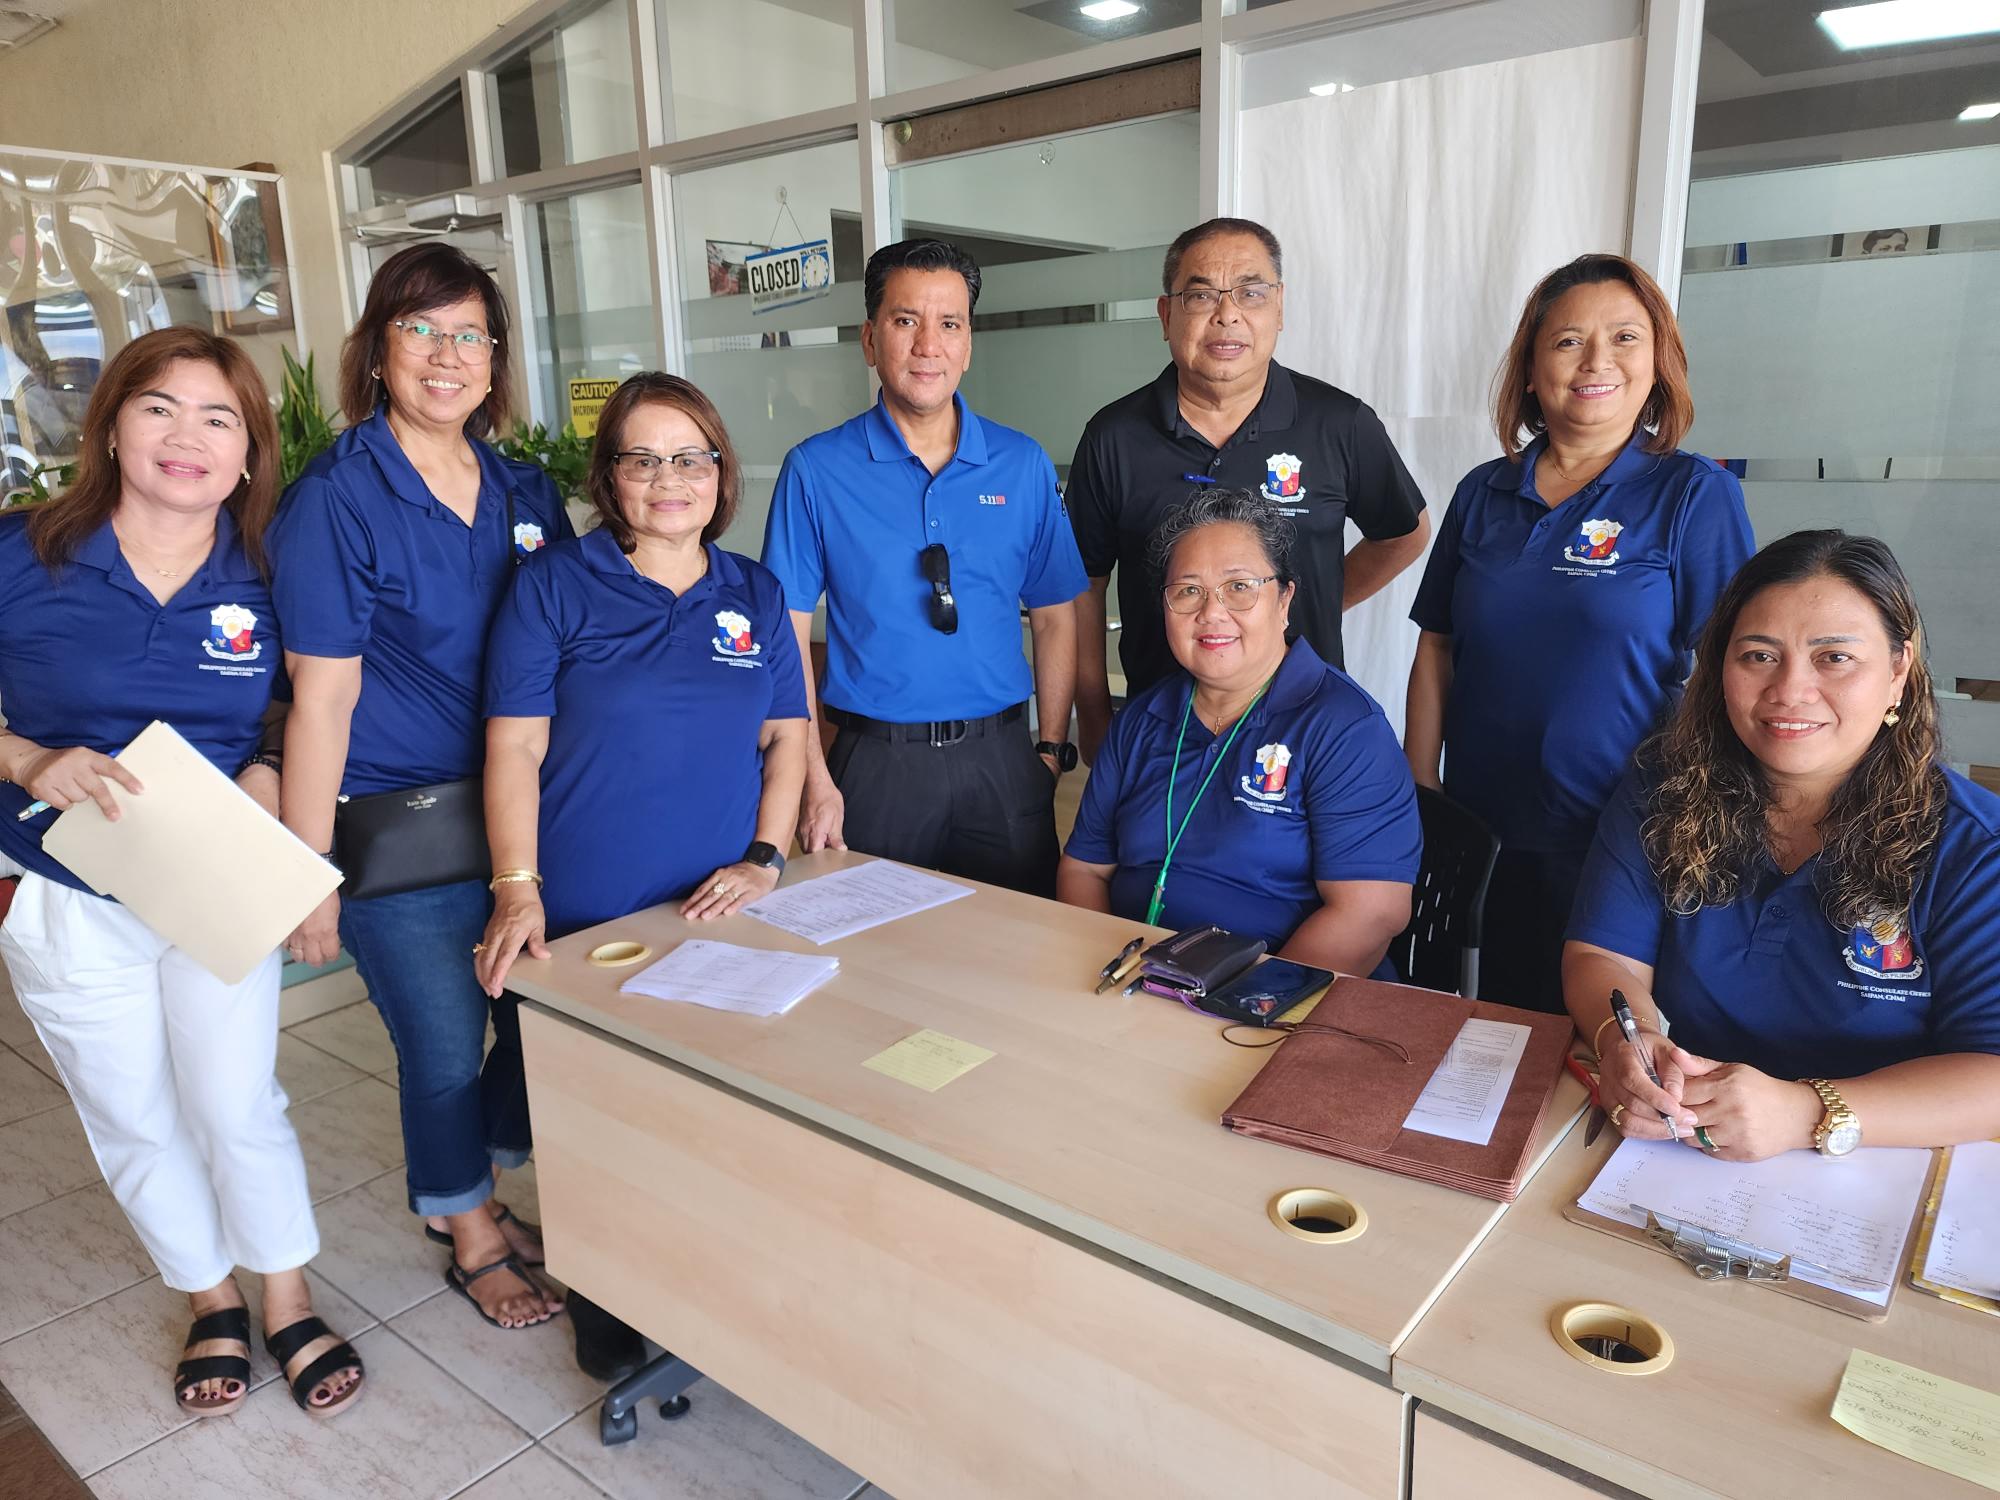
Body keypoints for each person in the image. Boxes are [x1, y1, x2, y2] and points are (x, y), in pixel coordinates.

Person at [0, 327, 363, 1417]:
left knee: (235, 1098)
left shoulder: (264, 570)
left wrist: (265, 790)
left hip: (211, 881)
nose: (187, 437)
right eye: (159, 408)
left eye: (219, 417)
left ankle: (286, 1294)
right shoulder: (23, 550)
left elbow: (306, 707)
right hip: (65, 889)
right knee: (132, 1112)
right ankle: (212, 1299)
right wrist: (27, 757)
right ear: (112, 424)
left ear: (249, 450)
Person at [473, 372, 810, 1375]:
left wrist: (764, 859)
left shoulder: (751, 590)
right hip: (587, 914)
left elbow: (786, 740)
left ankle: (704, 1278)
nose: (670, 478)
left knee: (700, 1108)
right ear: (608, 477)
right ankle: (607, 1300)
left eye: (690, 456)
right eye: (643, 458)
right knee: (588, 1117)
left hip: (710, 916)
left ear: (720, 471)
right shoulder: (553, 587)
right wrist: (516, 882)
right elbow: (514, 752)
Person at [269, 244, 571, 1331]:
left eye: (469, 336)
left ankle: (472, 1178)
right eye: (420, 331)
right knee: (444, 1041)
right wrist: (305, 873)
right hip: (405, 824)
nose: (447, 356)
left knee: (538, 1021)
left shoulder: (525, 488)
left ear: (495, 361)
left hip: (530, 814)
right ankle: (470, 1227)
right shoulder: (337, 500)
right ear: (378, 348)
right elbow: (321, 702)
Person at [1567, 531, 2000, 1161]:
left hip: (1881, 1167)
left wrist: (1809, 1113)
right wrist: (1625, 1041)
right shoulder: (1664, 787)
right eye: (1758, 656)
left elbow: (1991, 1074)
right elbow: (1601, 956)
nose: (1790, 691)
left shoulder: (1976, 847)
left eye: (1834, 658)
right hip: (1670, 1149)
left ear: (1898, 672)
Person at [1405, 254, 1754, 1013]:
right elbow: (1436, 644)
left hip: (1620, 835)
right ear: (1531, 370)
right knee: (1487, 1027)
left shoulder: (1695, 494)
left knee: (1602, 1043)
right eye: (1568, 341)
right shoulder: (1481, 491)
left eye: (1625, 338)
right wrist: (1419, 788)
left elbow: (1736, 668)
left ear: (1657, 362)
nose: (1597, 361)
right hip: (1481, 827)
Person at [761, 239, 1087, 897]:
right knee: (869, 966)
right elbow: (786, 634)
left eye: (949, 324)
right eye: (906, 320)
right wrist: (812, 778)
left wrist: (1049, 751)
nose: (927, 345)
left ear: (968, 343)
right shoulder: (817, 470)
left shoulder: (1021, 465)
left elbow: (1055, 614)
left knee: (1015, 955)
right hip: (874, 768)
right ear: (869, 338)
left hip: (1001, 760)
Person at [1068, 216, 1430, 764]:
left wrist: (1313, 602)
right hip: (1160, 734)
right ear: (1166, 315)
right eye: (1201, 295)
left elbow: (1404, 533)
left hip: (1307, 732)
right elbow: (1082, 589)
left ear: (1279, 308)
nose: (1227, 314)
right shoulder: (1113, 437)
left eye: (1250, 292)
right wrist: (1094, 718)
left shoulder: (1340, 423)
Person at [1059, 488, 1419, 977]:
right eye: (1187, 590)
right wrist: (1106, 970)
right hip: (1131, 983)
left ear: (1284, 599)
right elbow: (1084, 869)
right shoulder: (1142, 720)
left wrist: (1245, 1002)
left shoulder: (1344, 727)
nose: (1211, 612)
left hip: (1279, 1002)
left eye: (1239, 587)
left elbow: (1370, 913)